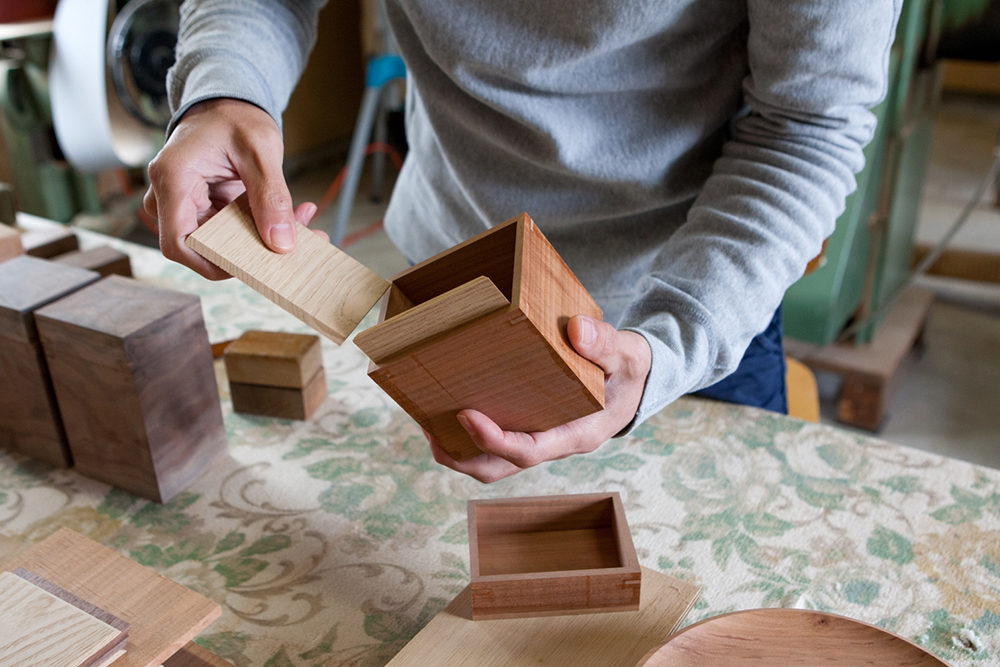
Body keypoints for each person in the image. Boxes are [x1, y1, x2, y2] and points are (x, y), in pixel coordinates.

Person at [145, 0, 902, 483]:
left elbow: (807, 124)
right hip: (446, 273)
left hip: (681, 307)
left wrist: (675, 344)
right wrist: (223, 92)